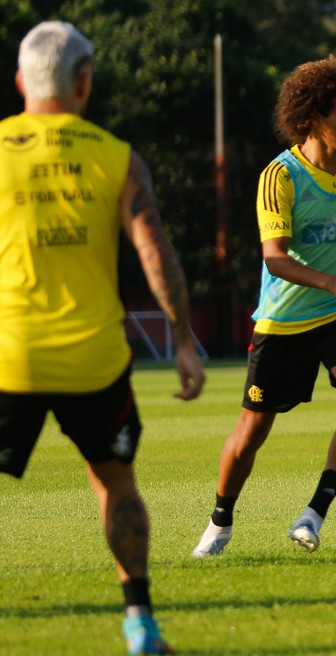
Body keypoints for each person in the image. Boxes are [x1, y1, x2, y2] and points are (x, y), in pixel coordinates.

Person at [0, 21, 206, 655]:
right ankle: (140, 625)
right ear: (85, 82)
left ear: (19, 81)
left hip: (10, 357)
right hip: (95, 360)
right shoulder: (117, 156)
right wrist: (181, 338)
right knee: (116, 483)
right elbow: (154, 251)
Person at [192, 56, 336, 558]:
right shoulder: (280, 176)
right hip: (286, 320)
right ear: (311, 118)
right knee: (251, 431)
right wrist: (334, 283)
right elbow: (274, 259)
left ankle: (314, 513)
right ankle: (220, 520)